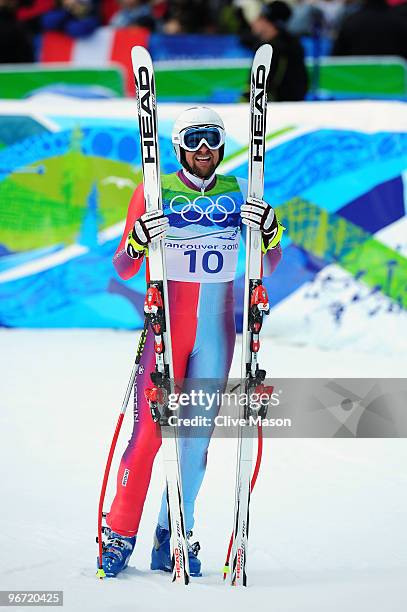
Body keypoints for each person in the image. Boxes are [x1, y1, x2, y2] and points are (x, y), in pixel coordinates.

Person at [101, 106, 284, 577]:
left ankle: (173, 535)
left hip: (216, 336)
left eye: (213, 139)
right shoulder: (153, 189)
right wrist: (140, 240)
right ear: (180, 145)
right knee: (149, 437)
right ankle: (119, 536)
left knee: (196, 442)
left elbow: (274, 258)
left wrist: (270, 230)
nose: (205, 149)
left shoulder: (240, 190)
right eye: (195, 139)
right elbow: (121, 266)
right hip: (167, 331)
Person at [245, 1, 308, 102]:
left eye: (261, 18)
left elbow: (264, 86)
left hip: (277, 109)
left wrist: (246, 100)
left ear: (270, 24)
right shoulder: (291, 44)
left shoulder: (277, 50)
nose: (254, 22)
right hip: (285, 106)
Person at [332, 0, 407, 59]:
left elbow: (336, 61)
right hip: (394, 77)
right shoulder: (400, 23)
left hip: (357, 77)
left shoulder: (350, 23)